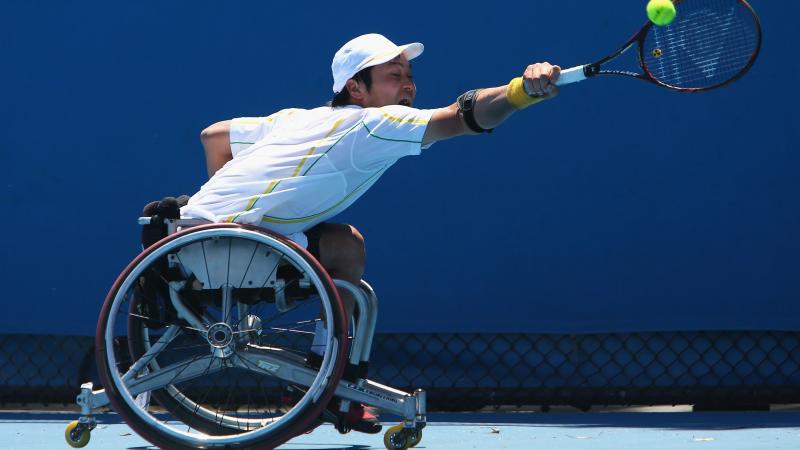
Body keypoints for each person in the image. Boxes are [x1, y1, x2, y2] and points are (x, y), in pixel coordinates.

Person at [179, 33, 561, 433]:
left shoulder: (298, 118)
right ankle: (327, 382)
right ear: (355, 89)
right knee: (342, 249)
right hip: (232, 249)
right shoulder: (374, 123)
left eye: (409, 75)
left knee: (346, 245)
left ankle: (323, 375)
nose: (408, 84)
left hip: (190, 242)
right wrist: (521, 91)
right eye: (393, 76)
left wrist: (230, 213)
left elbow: (214, 135)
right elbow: (464, 117)